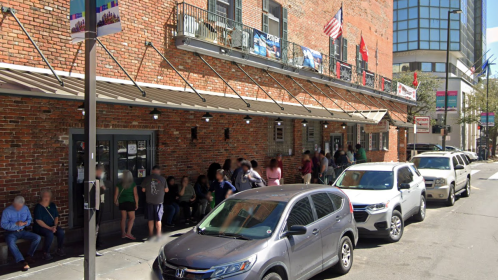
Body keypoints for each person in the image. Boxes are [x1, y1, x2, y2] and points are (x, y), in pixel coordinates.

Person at [1, 196, 41, 271]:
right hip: (11, 232)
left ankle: (29, 255)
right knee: (11, 242)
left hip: (22, 230)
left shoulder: (25, 208)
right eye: (17, 206)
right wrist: (15, 224)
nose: (19, 208)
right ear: (14, 203)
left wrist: (26, 223)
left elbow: (29, 219)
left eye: (21, 206)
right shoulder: (7, 211)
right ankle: (21, 261)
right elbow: (3, 225)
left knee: (37, 238)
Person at [33, 190, 65, 260]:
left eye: (48, 196)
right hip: (41, 227)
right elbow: (38, 220)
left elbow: (56, 216)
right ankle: (45, 252)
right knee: (49, 234)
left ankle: (60, 248)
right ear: (42, 197)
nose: (46, 198)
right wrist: (50, 228)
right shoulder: (38, 207)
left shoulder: (52, 205)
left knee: (61, 232)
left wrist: (55, 226)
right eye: (45, 196)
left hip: (52, 225)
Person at [141, 166, 167, 238]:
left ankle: (151, 234)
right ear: (159, 171)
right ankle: (158, 235)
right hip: (159, 202)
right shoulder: (163, 179)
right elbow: (166, 190)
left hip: (149, 201)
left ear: (152, 171)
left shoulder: (147, 179)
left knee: (151, 219)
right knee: (158, 219)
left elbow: (143, 190)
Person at [115, 170, 138, 240]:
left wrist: (115, 201)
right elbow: (135, 195)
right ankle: (128, 233)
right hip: (130, 202)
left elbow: (116, 194)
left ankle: (123, 233)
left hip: (122, 202)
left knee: (123, 218)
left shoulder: (119, 184)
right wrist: (137, 203)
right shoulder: (133, 184)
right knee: (132, 218)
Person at [95, 164, 107, 254]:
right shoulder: (94, 179)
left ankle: (97, 243)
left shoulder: (99, 179)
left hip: (100, 203)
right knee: (95, 225)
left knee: (98, 224)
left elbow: (103, 188)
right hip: (95, 205)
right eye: (101, 171)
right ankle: (94, 245)